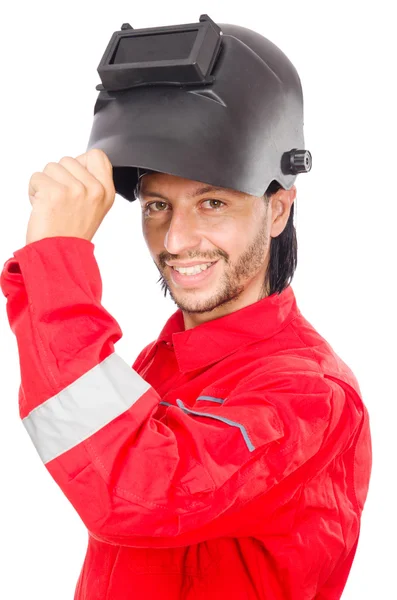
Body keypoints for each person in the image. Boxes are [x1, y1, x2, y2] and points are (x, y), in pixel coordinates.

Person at [0, 16, 372, 600]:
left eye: (213, 201)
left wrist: (55, 261)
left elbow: (135, 493)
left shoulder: (308, 396)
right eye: (156, 206)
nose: (175, 241)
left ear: (278, 210)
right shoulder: (162, 361)